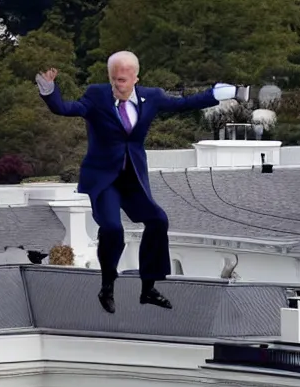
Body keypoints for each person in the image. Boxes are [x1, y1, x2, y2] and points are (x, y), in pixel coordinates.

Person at [38, 53, 234, 312]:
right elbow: (65, 108)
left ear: (135, 78)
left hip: (132, 179)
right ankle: (107, 285)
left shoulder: (150, 97)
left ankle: (148, 288)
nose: (117, 85)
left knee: (158, 220)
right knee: (112, 229)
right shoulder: (97, 96)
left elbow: (183, 104)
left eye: (122, 80)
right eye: (113, 80)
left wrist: (216, 94)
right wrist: (49, 90)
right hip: (104, 178)